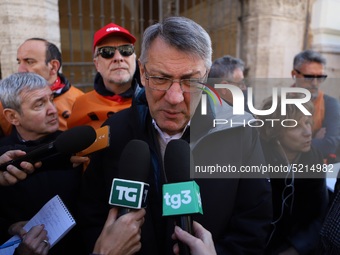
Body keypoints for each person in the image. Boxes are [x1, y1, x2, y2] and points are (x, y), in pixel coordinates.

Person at [78, 16, 272, 254]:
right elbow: (90, 217)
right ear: (142, 71)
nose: (174, 97)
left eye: (190, 80)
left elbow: (253, 225)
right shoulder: (112, 132)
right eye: (161, 78)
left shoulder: (241, 131)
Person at [0, 72, 83, 255]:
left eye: (51, 99)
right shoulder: (2, 159)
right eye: (39, 104)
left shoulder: (73, 147)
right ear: (13, 117)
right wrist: (10, 228)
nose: (53, 110)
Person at [258, 95, 329, 255]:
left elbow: (319, 215)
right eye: (296, 125)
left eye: (308, 122)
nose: (307, 132)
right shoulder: (256, 157)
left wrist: (295, 249)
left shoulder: (313, 157)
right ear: (274, 130)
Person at [0, 37, 85, 134]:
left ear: (53, 66)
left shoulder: (80, 102)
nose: (20, 70)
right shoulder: (5, 103)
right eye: (19, 62)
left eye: (29, 62)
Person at [67, 23, 140, 130]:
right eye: (107, 52)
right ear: (97, 64)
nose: (118, 58)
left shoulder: (151, 100)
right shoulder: (81, 105)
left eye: (126, 50)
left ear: (134, 57)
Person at [291, 50, 340, 159]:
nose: (315, 83)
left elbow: (329, 145)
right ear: (294, 74)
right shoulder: (278, 103)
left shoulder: (330, 104)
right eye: (309, 77)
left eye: (320, 77)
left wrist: (290, 145)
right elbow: (272, 144)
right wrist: (315, 140)